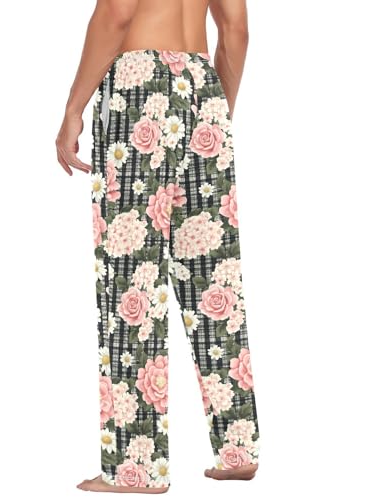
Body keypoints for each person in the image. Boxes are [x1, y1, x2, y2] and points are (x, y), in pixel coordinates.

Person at [55, 0, 259, 493]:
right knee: (213, 279)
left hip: (139, 86)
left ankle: (136, 468)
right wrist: (214, 111)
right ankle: (238, 450)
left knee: (131, 279)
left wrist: (73, 108)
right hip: (203, 87)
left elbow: (118, 12)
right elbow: (235, 29)